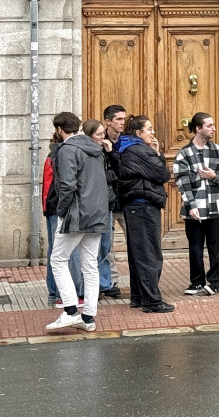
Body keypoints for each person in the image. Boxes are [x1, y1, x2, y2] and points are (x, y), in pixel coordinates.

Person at [45, 112, 108, 332]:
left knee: (58, 259)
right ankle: (88, 317)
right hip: (97, 213)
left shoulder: (67, 150)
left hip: (77, 214)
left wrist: (61, 212)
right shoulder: (95, 149)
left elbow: (67, 185)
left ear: (60, 130)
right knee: (90, 265)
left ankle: (71, 311)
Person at [117, 115, 175, 313]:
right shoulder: (140, 150)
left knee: (138, 254)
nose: (153, 133)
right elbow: (163, 174)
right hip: (143, 206)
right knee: (150, 254)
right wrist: (156, 154)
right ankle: (151, 301)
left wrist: (156, 153)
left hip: (135, 206)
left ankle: (138, 297)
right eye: (149, 129)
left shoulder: (127, 148)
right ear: (138, 133)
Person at [173, 112, 219, 296]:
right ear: (198, 128)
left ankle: (214, 281)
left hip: (215, 208)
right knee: (195, 248)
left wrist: (215, 176)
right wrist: (191, 206)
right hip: (195, 210)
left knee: (216, 248)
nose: (213, 128)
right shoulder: (184, 154)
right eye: (209, 125)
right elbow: (182, 183)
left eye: (213, 125)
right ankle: (196, 282)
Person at [42, 122, 83, 309]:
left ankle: (54, 291)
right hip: (60, 207)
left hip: (52, 206)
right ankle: (66, 294)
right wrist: (62, 210)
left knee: (55, 251)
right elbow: (63, 186)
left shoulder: (54, 153)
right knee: (68, 253)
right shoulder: (64, 154)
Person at [95, 105, 125, 298]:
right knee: (105, 245)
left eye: (124, 119)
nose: (122, 123)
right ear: (108, 121)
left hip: (126, 199)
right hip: (106, 202)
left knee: (137, 242)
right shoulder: (99, 142)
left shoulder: (128, 141)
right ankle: (109, 282)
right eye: (118, 119)